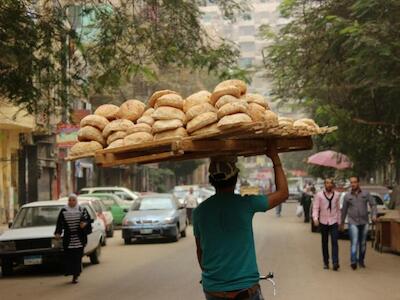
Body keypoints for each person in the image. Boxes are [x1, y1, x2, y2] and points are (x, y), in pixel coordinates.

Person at [192, 147, 288, 300]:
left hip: (213, 291)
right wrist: (275, 158)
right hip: (246, 291)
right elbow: (283, 193)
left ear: (211, 182)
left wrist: (216, 278)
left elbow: (200, 252)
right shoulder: (246, 204)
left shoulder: (198, 212)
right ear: (235, 178)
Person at [340, 176, 377, 270]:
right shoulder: (347, 196)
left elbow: (373, 204)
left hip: (364, 222)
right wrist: (341, 223)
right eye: (351, 182)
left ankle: (361, 260)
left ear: (358, 183)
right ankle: (353, 261)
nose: (353, 184)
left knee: (363, 243)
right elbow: (344, 210)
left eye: (355, 182)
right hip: (353, 222)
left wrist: (374, 215)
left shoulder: (366, 193)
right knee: (354, 242)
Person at [55, 193, 92, 283]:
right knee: (69, 257)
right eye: (70, 200)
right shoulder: (64, 210)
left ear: (76, 201)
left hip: (79, 238)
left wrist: (84, 224)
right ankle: (71, 272)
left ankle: (76, 275)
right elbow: (59, 223)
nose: (71, 202)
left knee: (77, 257)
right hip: (68, 238)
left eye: (73, 200)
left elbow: (88, 220)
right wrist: (58, 233)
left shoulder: (82, 210)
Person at [312, 178, 341, 270]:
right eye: (327, 183)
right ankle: (326, 262)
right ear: (324, 184)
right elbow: (316, 208)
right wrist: (315, 218)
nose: (329, 185)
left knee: (335, 241)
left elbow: (338, 209)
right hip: (323, 221)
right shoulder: (319, 195)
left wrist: (339, 221)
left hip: (334, 221)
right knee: (324, 242)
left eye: (330, 183)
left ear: (332, 185)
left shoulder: (337, 195)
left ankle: (335, 262)